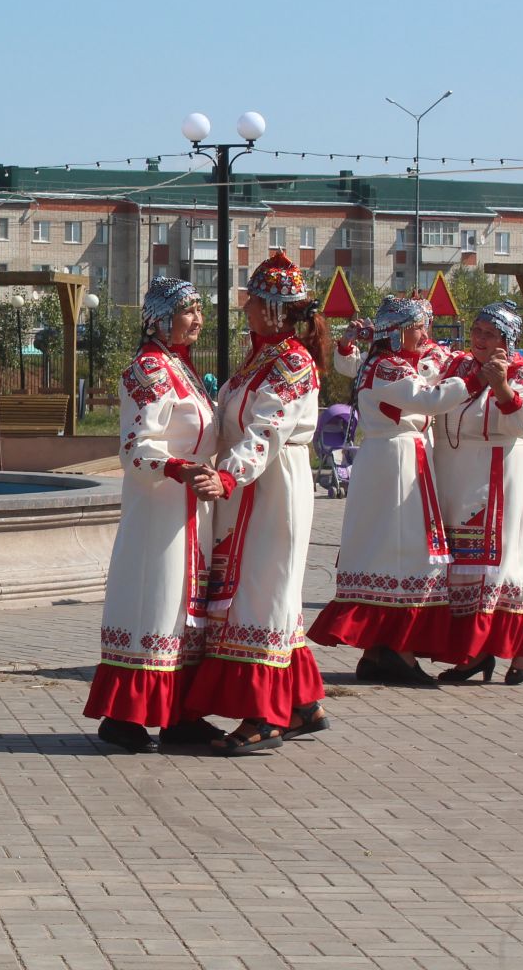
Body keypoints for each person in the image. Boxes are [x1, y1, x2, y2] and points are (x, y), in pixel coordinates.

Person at [183, 253, 329, 756]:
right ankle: (304, 703)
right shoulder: (259, 358)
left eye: (250, 299)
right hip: (249, 482)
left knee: (265, 591)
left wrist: (227, 475)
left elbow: (269, 429)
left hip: (276, 483)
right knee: (261, 591)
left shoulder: (292, 361)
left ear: (272, 308)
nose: (242, 306)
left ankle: (266, 715)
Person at [309, 295, 481, 686]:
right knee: (402, 548)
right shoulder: (387, 365)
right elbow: (429, 399)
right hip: (396, 461)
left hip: (397, 456)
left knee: (393, 547)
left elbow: (423, 381)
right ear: (401, 330)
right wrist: (473, 380)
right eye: (419, 327)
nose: (425, 334)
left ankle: (380, 651)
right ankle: (397, 651)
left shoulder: (389, 362)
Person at [84, 277, 219, 754]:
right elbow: (135, 448)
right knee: (156, 603)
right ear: (159, 319)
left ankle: (181, 714)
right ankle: (126, 715)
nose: (198, 319)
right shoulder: (148, 371)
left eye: (201, 309)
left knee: (184, 609)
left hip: (189, 510)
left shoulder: (182, 369)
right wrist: (178, 468)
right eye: (188, 311)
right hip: (160, 510)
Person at [434, 302, 523, 685]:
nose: (479, 339)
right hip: (455, 473)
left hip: (497, 473)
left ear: (507, 339)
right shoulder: (457, 367)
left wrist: (501, 386)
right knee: (463, 564)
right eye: (476, 331)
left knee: (495, 565)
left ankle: (522, 648)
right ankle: (475, 653)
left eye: (489, 333)